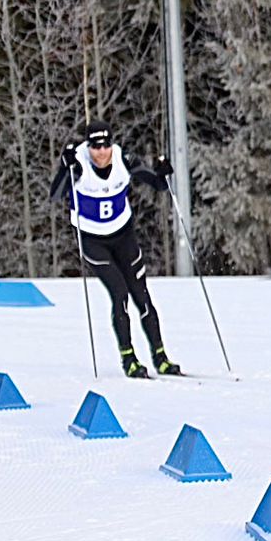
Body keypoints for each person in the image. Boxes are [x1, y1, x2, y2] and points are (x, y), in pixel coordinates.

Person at [48, 119, 182, 378]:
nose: (101, 152)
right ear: (88, 147)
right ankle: (128, 358)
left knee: (142, 295)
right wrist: (65, 169)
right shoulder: (78, 163)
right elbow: (56, 195)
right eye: (96, 147)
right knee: (119, 293)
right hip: (93, 240)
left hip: (123, 236)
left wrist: (164, 172)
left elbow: (158, 184)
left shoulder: (123, 159)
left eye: (106, 145)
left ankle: (161, 356)